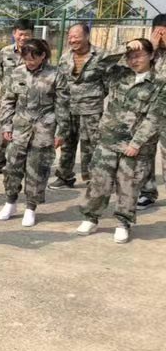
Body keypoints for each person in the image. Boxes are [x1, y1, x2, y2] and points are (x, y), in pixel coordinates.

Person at [76, 39, 164, 243]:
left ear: (151, 55)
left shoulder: (160, 83)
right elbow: (99, 62)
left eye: (139, 56)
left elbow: (155, 117)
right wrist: (125, 46)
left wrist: (136, 143)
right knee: (99, 181)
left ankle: (123, 223)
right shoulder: (119, 74)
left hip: (135, 146)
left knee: (129, 186)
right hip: (108, 139)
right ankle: (90, 217)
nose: (134, 60)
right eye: (131, 57)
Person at [0, 39, 69, 227]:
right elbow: (7, 101)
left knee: (37, 170)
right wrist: (6, 126)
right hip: (19, 129)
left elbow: (62, 106)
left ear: (43, 56)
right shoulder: (16, 73)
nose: (29, 62)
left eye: (33, 59)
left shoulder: (56, 75)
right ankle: (10, 202)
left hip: (44, 130)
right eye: (26, 58)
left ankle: (31, 207)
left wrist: (61, 132)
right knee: (12, 167)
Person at [49, 23, 108, 190]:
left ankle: (92, 178)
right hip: (68, 108)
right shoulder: (65, 57)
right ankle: (65, 176)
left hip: (91, 110)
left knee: (91, 145)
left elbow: (108, 82)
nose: (72, 40)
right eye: (70, 36)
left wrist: (93, 96)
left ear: (87, 36)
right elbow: (61, 83)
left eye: (76, 36)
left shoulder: (101, 55)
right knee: (67, 143)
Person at [0, 19, 35, 175]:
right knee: (3, 129)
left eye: (27, 34)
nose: (23, 38)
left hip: (28, 99)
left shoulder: (36, 52)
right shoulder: (5, 52)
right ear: (14, 34)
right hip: (7, 98)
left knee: (27, 130)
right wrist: (10, 88)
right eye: (20, 34)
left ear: (32, 35)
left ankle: (22, 163)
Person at [134, 14, 166, 210]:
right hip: (147, 112)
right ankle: (147, 192)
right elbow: (132, 71)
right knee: (145, 153)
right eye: (157, 32)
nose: (161, 37)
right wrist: (150, 48)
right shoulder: (146, 52)